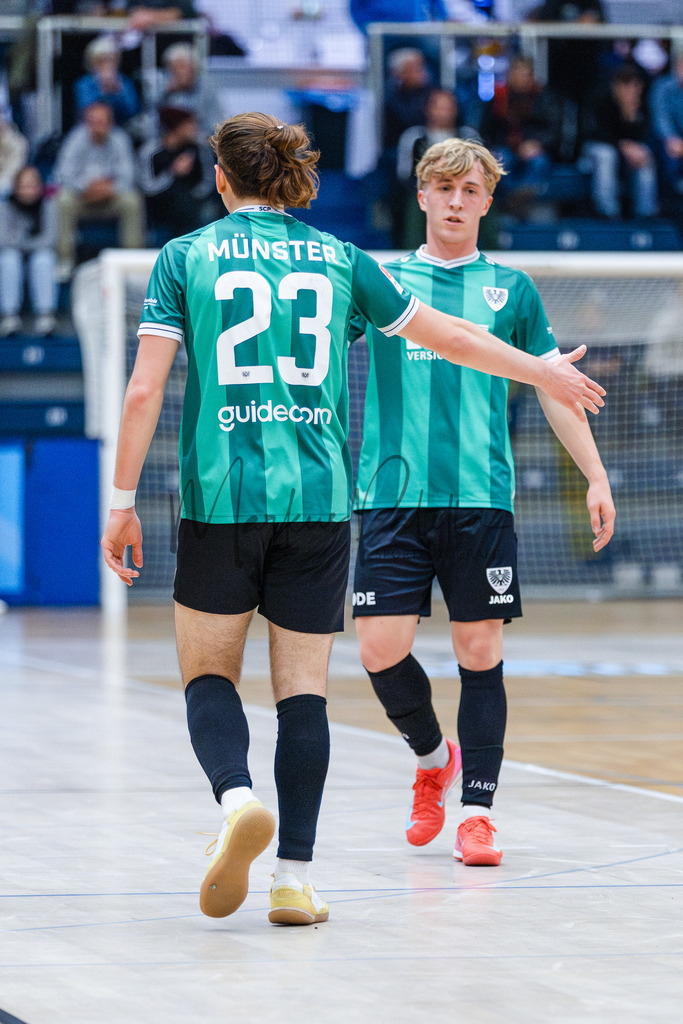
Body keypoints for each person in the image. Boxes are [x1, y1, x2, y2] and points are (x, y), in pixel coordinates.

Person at [100, 112, 606, 927]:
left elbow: (142, 392)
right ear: (293, 178)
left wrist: (120, 504)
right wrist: (537, 368)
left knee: (207, 674)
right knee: (303, 693)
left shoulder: (185, 255)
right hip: (324, 502)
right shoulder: (342, 258)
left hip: (222, 497)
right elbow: (449, 337)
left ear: (222, 179)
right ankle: (294, 877)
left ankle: (237, 803)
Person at [350, 136, 615, 867]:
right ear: (422, 196)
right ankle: (433, 759)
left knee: (479, 649)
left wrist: (594, 474)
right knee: (378, 649)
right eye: (445, 189)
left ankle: (476, 813)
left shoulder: (512, 289)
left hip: (480, 499)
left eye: (471, 190)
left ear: (487, 201)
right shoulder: (380, 279)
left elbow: (552, 386)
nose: (457, 202)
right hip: (392, 494)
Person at [53, 101, 144, 277]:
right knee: (63, 199)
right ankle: (65, 260)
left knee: (132, 201)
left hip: (111, 198)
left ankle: (132, 263)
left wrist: (107, 189)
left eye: (102, 122)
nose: (97, 126)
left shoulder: (120, 139)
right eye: (93, 122)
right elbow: (63, 174)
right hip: (83, 199)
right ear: (86, 122)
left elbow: (129, 176)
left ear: (111, 123)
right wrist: (86, 187)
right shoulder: (76, 139)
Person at [479, 56, 563, 217]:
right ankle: (512, 200)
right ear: (510, 75)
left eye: (525, 74)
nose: (521, 79)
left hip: (534, 148)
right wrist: (491, 148)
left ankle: (518, 200)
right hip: (505, 147)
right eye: (517, 74)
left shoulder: (544, 98)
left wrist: (538, 144)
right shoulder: (498, 98)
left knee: (539, 162)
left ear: (532, 76)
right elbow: (486, 130)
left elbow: (554, 131)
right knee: (500, 160)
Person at [582, 65, 658, 220]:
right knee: (606, 155)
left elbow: (642, 135)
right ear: (616, 84)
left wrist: (630, 115)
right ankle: (607, 211)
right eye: (626, 84)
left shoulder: (641, 104)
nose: (631, 89)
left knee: (645, 154)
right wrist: (622, 145)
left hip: (625, 153)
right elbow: (594, 132)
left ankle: (645, 211)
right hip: (592, 151)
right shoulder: (600, 97)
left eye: (636, 84)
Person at [0, 165, 59, 338]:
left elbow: (50, 239)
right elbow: (3, 240)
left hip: (38, 253)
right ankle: (9, 316)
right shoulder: (4, 207)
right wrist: (29, 243)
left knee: (43, 259)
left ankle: (45, 315)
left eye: (33, 186)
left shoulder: (49, 206)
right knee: (8, 260)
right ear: (16, 188)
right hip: (13, 254)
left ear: (40, 187)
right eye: (24, 186)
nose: (29, 191)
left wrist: (21, 243)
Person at [137, 106, 208, 243]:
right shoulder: (150, 151)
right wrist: (172, 173)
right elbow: (147, 187)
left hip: (192, 206)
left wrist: (193, 196)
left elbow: (208, 182)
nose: (196, 128)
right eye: (191, 124)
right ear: (177, 127)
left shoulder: (199, 148)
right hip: (160, 207)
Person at [74, 35, 141, 128]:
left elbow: (132, 111)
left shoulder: (125, 82)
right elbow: (85, 109)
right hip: (90, 128)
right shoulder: (84, 83)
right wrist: (104, 90)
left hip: (120, 128)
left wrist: (116, 91)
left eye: (111, 60)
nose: (107, 65)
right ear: (93, 62)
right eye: (102, 60)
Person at [649, 53, 683, 215]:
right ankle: (667, 206)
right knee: (669, 155)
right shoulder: (663, 86)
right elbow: (660, 118)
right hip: (667, 141)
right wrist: (672, 139)